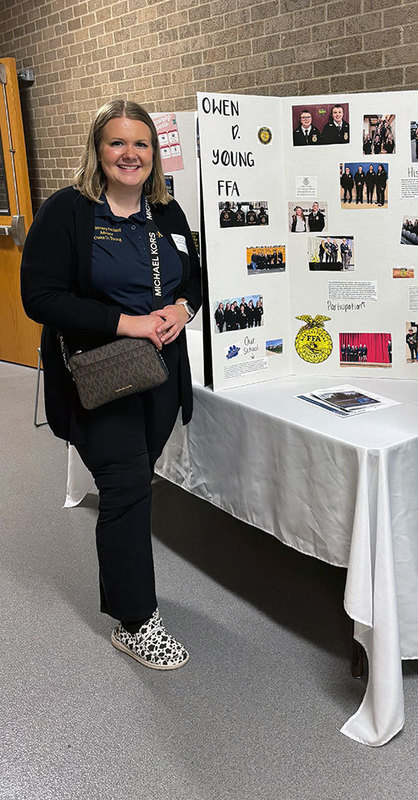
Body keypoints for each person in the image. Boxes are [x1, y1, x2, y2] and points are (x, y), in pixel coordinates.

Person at [21, 99, 202, 671]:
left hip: (160, 376)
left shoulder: (167, 213)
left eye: (142, 144)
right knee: (125, 487)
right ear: (98, 150)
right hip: (100, 376)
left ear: (155, 153)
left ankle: (129, 592)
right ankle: (135, 620)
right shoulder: (67, 212)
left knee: (137, 479)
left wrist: (181, 308)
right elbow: (41, 298)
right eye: (118, 143)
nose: (131, 154)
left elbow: (194, 278)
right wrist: (128, 323)